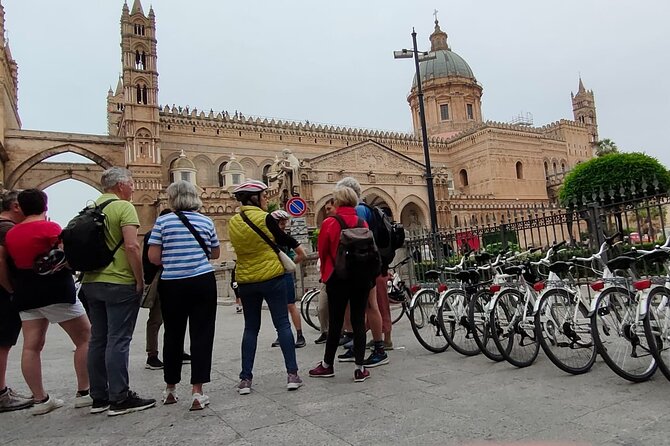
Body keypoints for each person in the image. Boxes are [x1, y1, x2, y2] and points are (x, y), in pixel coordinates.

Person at [5, 189, 92, 415]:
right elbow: (67, 256)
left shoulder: (11, 234)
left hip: (25, 292)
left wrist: (12, 289)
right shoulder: (50, 228)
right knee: (85, 337)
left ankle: (40, 399)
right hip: (55, 290)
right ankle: (85, 392)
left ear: (21, 208)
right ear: (45, 205)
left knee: (32, 346)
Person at [80, 167, 156, 416]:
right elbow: (133, 246)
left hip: (91, 282)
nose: (133, 187)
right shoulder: (123, 207)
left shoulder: (90, 207)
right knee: (118, 340)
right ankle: (120, 398)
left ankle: (99, 397)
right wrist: (139, 279)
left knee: (98, 339)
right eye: (131, 183)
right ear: (121, 185)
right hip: (118, 282)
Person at [148, 181, 220, 411]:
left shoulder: (163, 221)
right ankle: (198, 392)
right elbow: (215, 253)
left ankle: (170, 388)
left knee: (173, 335)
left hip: (173, 284)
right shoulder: (206, 220)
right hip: (202, 281)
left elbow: (153, 257)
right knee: (202, 334)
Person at [228, 179, 303, 395]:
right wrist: (297, 249)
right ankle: (292, 374)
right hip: (272, 277)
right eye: (263, 196)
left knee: (251, 328)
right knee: (282, 324)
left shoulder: (233, 221)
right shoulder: (265, 218)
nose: (265, 199)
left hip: (246, 280)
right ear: (255, 198)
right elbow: (283, 239)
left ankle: (245, 379)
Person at [308, 185, 372, 382]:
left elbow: (323, 252)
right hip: (361, 277)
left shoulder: (330, 222)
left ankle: (327, 365)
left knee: (336, 322)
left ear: (337, 201)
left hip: (337, 277)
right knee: (358, 321)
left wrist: (327, 275)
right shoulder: (362, 222)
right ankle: (360, 369)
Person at [334, 177, 389, 367]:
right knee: (367, 306)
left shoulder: (357, 211)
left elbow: (356, 238)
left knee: (366, 306)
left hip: (361, 264)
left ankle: (375, 349)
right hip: (371, 262)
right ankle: (365, 346)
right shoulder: (367, 209)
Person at [0, 191, 33, 413]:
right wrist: (10, 288)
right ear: (16, 207)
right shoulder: (6, 229)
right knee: (2, 343)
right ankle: (1, 395)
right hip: (3, 295)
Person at [269, 210, 307, 348]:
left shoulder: (280, 237)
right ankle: (284, 335)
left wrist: (288, 265)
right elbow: (301, 255)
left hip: (282, 275)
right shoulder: (281, 237)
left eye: (284, 223)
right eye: (281, 223)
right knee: (282, 306)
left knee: (290, 305)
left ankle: (299, 335)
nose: (283, 226)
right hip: (278, 275)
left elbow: (302, 254)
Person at [314, 197, 335, 344]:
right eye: (325, 209)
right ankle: (325, 331)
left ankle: (340, 333)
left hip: (338, 273)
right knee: (322, 307)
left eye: (329, 209)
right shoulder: (327, 224)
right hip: (326, 275)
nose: (327, 212)